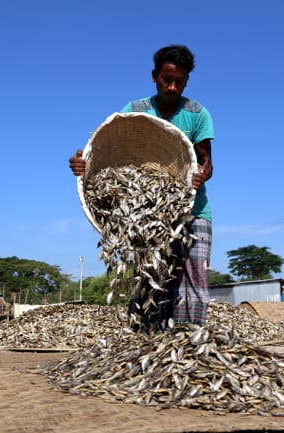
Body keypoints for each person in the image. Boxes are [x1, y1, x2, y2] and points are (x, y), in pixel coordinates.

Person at [69, 45, 214, 331]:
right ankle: (148, 340)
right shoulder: (135, 111)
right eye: (166, 79)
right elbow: (108, 148)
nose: (172, 87)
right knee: (151, 277)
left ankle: (188, 343)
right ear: (154, 76)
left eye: (180, 81)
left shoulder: (197, 113)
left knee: (193, 280)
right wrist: (81, 165)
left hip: (192, 211)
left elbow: (207, 162)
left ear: (187, 80)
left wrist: (201, 174)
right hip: (145, 222)